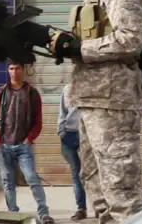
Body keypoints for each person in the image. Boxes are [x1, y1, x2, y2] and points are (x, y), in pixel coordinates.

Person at [48, 0, 142, 223]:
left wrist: (78, 49)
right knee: (99, 194)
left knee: (123, 198)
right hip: (93, 101)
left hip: (112, 105)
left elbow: (130, 40)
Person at [0, 59, 54, 224]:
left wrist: (28, 139)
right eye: (11, 68)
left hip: (23, 146)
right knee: (8, 181)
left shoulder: (32, 93)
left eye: (17, 68)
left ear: (23, 70)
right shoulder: (0, 93)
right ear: (8, 70)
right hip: (4, 146)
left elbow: (38, 121)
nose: (14, 71)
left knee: (32, 178)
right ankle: (12, 214)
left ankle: (44, 213)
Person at [57, 84, 87, 221]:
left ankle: (101, 208)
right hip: (69, 135)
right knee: (76, 174)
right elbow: (62, 112)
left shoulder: (94, 86)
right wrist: (62, 132)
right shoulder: (68, 89)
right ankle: (81, 209)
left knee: (93, 173)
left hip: (89, 136)